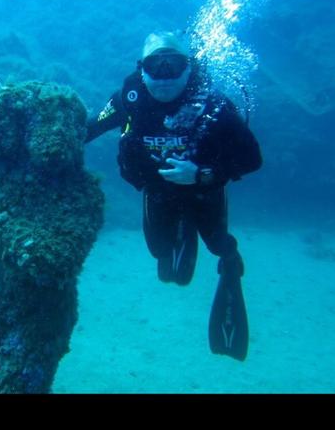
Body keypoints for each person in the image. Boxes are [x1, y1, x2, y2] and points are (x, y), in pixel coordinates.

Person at [85, 31, 263, 360]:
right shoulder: (129, 98)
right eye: (156, 66)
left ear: (188, 68)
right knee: (162, 259)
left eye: (174, 65)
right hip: (158, 190)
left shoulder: (211, 103)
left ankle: (230, 263)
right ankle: (181, 232)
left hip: (204, 190)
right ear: (142, 70)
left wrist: (200, 174)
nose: (164, 77)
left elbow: (252, 158)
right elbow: (91, 128)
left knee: (216, 243)